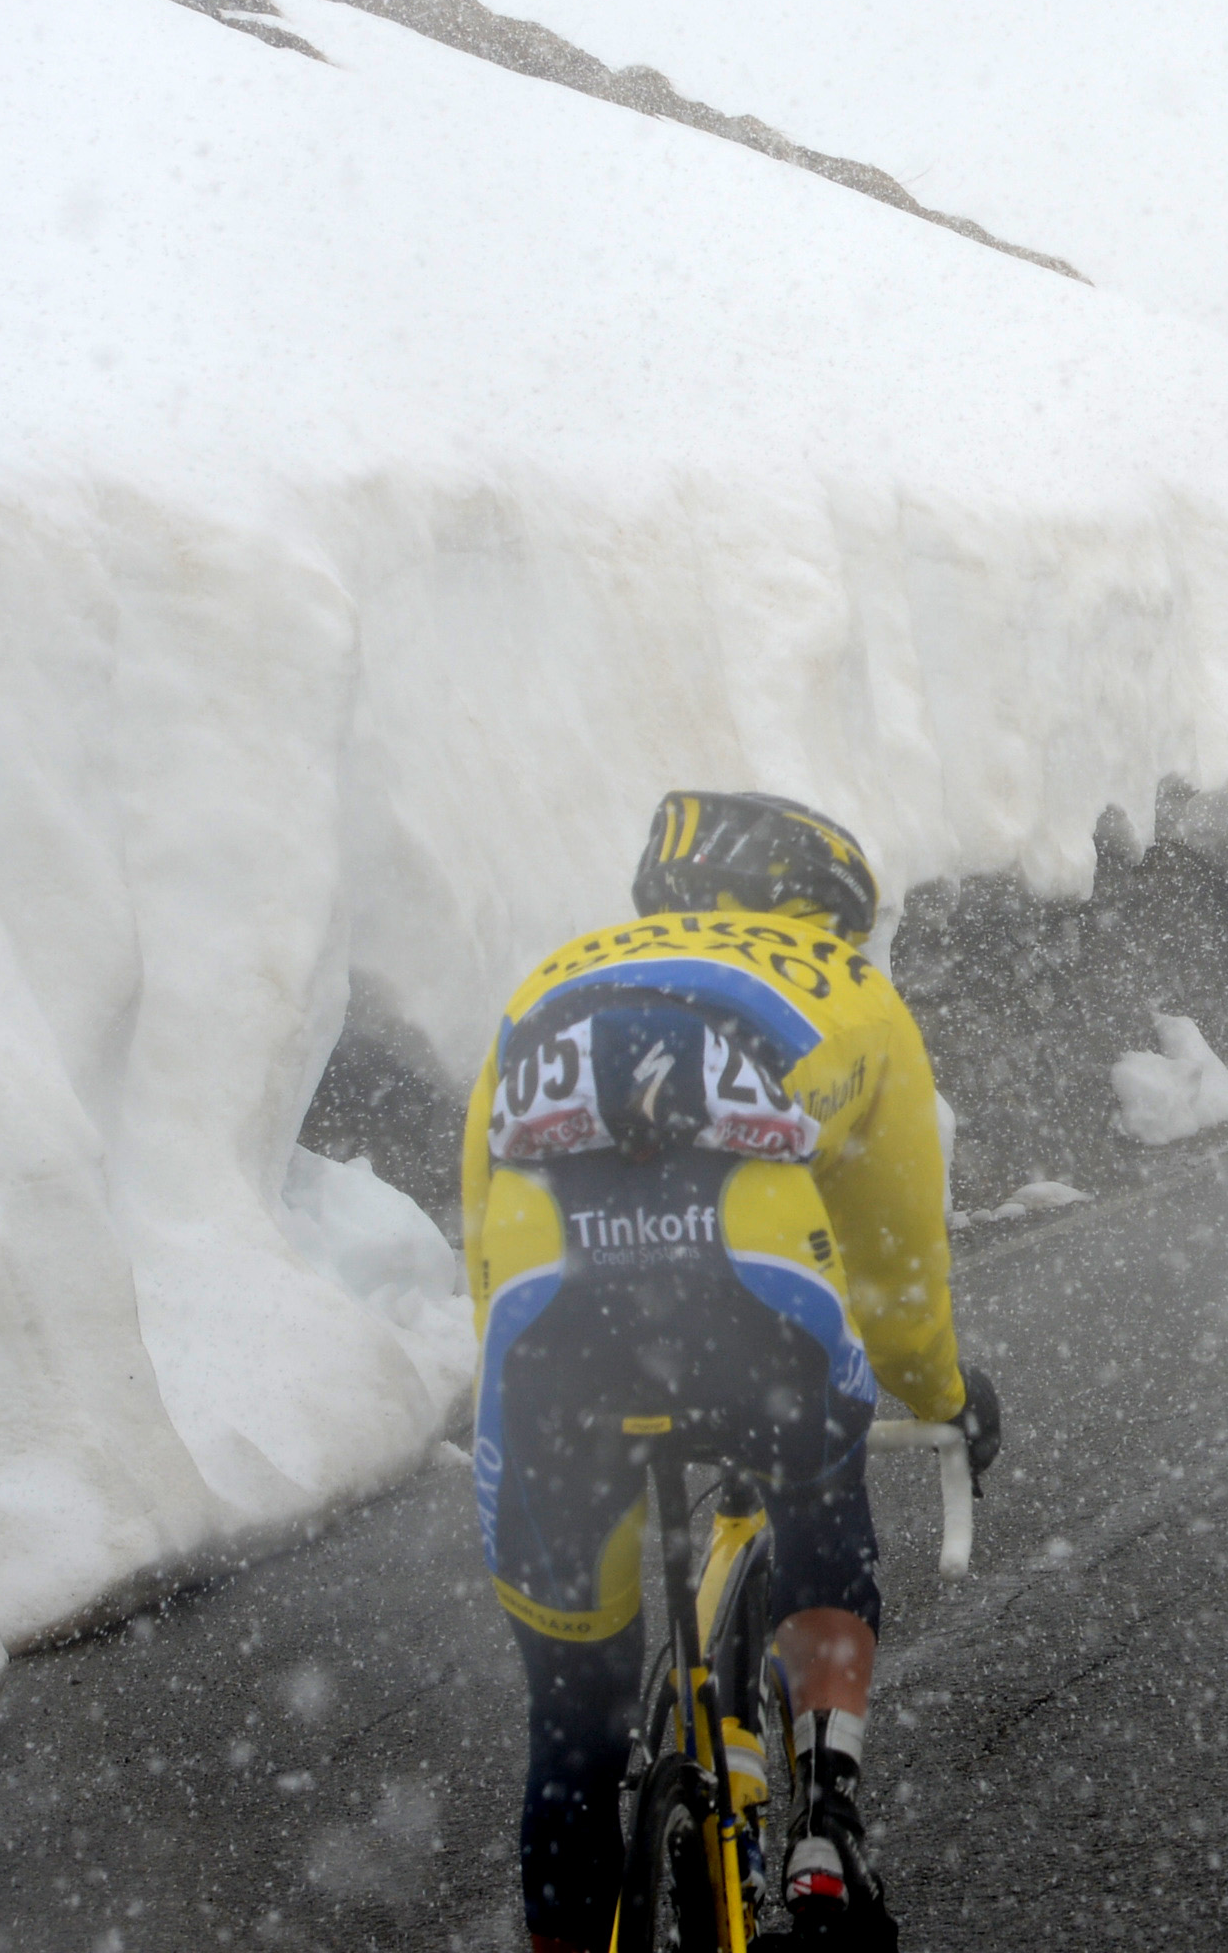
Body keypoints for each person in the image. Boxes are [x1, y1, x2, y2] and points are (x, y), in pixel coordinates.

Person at [462, 791, 1002, 1953]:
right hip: (747, 1302)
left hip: (549, 1324)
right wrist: (940, 1395)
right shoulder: (846, 984)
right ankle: (824, 1830)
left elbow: (483, 1222)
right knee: (817, 1465)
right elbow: (899, 1262)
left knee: (570, 1729)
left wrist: (522, 1400)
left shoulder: (552, 976)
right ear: (821, 903)